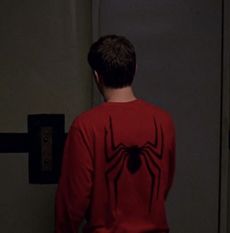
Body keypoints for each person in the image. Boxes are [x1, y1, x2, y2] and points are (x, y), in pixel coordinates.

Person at [55, 35, 176, 233]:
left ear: (97, 76)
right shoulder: (164, 121)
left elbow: (74, 199)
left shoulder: (86, 126)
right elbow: (164, 182)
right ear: (134, 70)